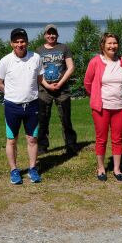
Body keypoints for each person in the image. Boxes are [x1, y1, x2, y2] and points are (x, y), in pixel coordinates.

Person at [0, 28, 44, 185]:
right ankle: (14, 170)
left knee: (32, 139)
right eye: (16, 41)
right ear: (11, 43)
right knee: (12, 140)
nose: (20, 44)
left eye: (22, 41)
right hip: (12, 106)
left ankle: (32, 169)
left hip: (32, 105)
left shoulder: (36, 58)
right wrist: (10, 92)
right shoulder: (5, 61)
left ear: (27, 42)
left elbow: (40, 78)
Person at [84, 32, 122, 182]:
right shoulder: (95, 62)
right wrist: (96, 96)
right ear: (103, 45)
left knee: (117, 139)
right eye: (109, 43)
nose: (112, 46)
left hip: (119, 106)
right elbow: (87, 82)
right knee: (101, 139)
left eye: (115, 43)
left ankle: (117, 169)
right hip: (101, 108)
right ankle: (101, 168)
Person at [36, 24, 78, 156]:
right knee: (42, 119)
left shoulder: (64, 48)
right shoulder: (38, 50)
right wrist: (47, 85)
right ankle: (42, 146)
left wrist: (60, 83)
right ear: (44, 35)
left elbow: (71, 67)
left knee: (66, 119)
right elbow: (36, 72)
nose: (51, 36)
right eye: (48, 33)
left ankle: (70, 145)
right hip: (44, 90)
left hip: (62, 90)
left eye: (53, 33)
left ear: (57, 35)